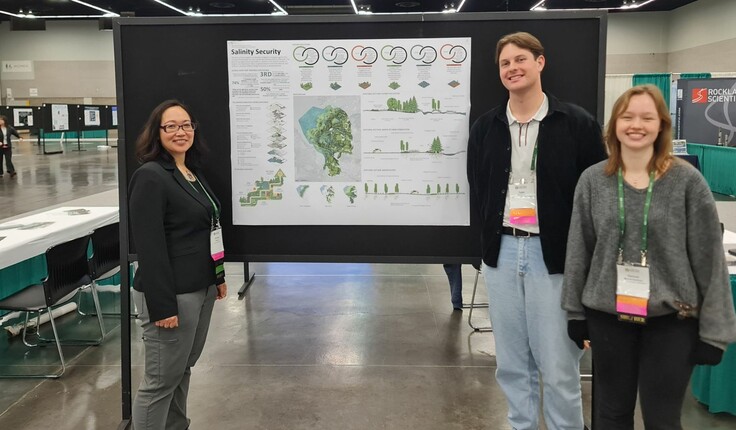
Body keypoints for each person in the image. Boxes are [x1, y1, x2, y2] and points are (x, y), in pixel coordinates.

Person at [562, 84, 736, 429]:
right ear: (613, 126)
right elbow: (579, 249)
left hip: (672, 320)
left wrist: (715, 331)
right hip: (609, 317)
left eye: (647, 117)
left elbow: (709, 259)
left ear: (662, 125)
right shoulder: (593, 181)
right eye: (627, 117)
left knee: (662, 419)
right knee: (610, 416)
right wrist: (574, 311)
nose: (636, 125)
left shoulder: (688, 182)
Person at [466, 31, 606, 429]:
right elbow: (478, 184)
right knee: (511, 363)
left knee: (560, 364)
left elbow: (596, 196)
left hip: (556, 256)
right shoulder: (486, 127)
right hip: (503, 254)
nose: (513, 68)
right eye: (505, 63)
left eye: (520, 59)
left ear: (540, 62)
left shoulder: (576, 123)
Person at [129, 99, 228, 430]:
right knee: (159, 383)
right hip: (171, 296)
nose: (180, 132)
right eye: (171, 126)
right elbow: (150, 246)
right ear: (157, 133)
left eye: (186, 125)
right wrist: (162, 307)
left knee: (181, 368)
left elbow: (209, 229)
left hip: (200, 288)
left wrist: (219, 275)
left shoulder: (191, 173)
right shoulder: (151, 177)